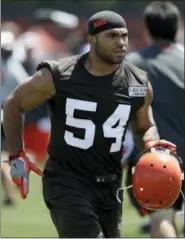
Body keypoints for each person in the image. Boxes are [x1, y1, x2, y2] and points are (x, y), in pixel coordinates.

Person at [3, 11, 177, 238]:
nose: (121, 42)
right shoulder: (58, 74)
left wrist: (151, 144)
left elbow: (144, 125)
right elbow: (14, 104)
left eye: (124, 35)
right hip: (67, 183)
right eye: (112, 36)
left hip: (110, 185)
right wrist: (17, 157)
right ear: (92, 39)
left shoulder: (137, 82)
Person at [125, 2, 185, 237]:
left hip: (152, 159)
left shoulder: (132, 64)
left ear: (147, 29)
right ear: (176, 26)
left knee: (162, 217)